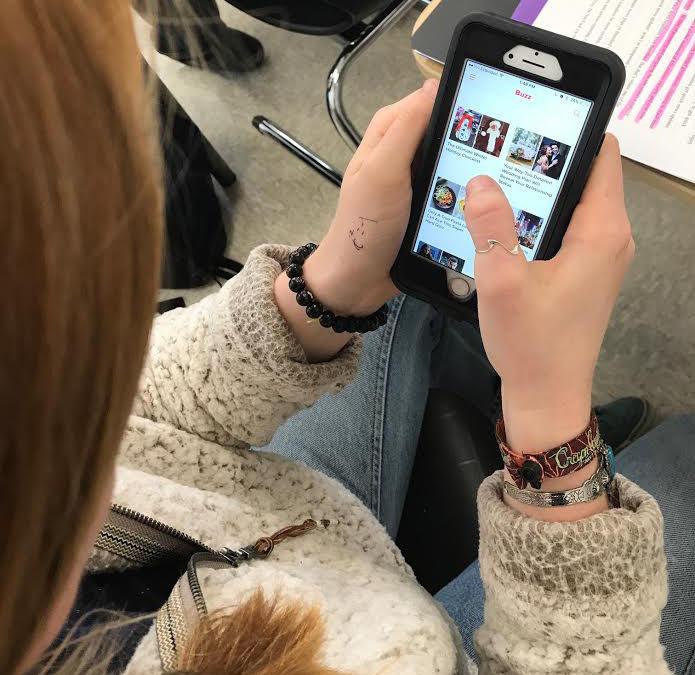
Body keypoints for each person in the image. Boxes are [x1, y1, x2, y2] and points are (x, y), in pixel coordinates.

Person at [3, 3, 694, 675]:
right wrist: (554, 443)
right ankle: (570, 450)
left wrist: (331, 282)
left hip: (275, 520)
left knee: (409, 289)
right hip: (382, 617)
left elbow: (129, 416)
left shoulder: (42, 429)